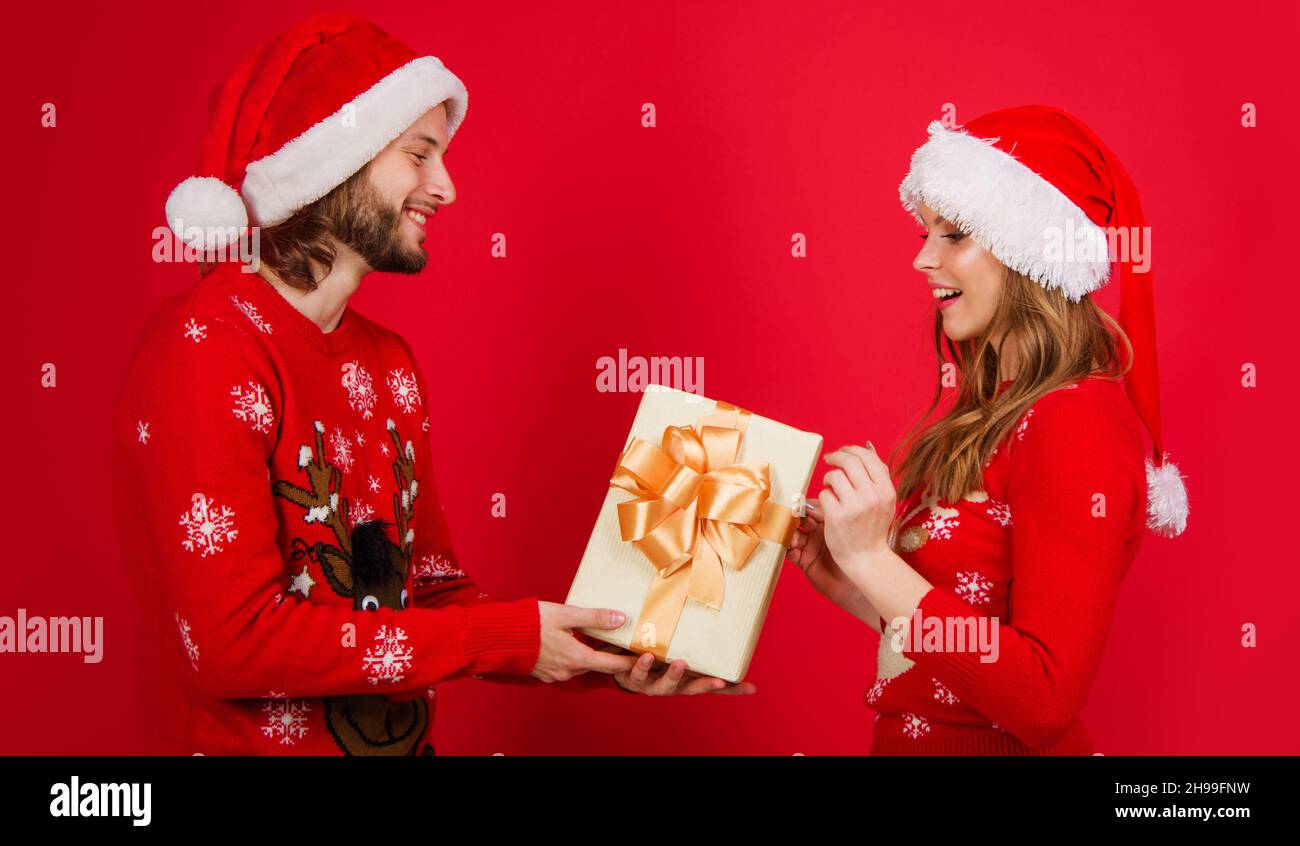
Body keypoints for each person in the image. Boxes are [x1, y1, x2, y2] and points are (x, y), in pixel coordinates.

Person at [111, 13, 747, 757]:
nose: (445, 186)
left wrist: (597, 654)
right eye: (419, 154)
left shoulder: (388, 363)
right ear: (332, 164)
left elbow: (435, 598)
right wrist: (501, 638)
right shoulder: (207, 345)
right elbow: (232, 645)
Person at [785, 106, 1189, 755]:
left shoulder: (1075, 420)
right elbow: (970, 663)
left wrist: (872, 558)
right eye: (926, 234)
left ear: (1027, 247)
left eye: (953, 236)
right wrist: (856, 585)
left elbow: (1043, 697)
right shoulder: (998, 408)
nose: (922, 259)